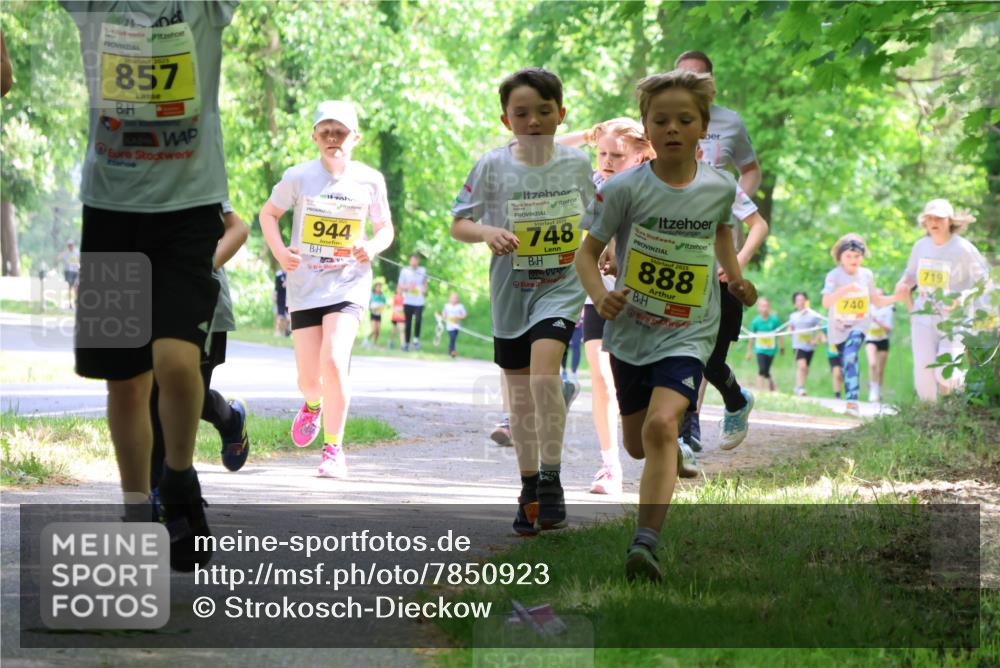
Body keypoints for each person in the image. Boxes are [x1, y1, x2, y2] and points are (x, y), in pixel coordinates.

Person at [62, 0, 238, 572]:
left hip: (189, 208)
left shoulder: (203, 8)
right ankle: (137, 512)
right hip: (112, 211)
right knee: (126, 382)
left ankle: (179, 478)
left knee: (178, 363)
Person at [576, 69, 756, 581]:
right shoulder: (624, 188)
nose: (673, 128)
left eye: (685, 119)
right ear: (646, 128)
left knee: (660, 426)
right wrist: (601, 296)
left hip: (691, 326)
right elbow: (587, 255)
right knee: (638, 443)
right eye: (661, 120)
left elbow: (722, 234)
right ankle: (666, 456)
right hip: (632, 329)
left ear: (704, 128)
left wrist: (737, 279)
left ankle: (644, 546)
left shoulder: (719, 186)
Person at [451, 67, 594, 536]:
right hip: (512, 292)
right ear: (505, 119)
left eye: (543, 111)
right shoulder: (492, 165)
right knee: (519, 399)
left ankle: (552, 480)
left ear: (561, 114)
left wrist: (605, 249)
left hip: (560, 286)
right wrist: (488, 232)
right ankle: (529, 485)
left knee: (543, 374)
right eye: (522, 113)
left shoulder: (575, 165)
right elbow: (459, 223)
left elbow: (597, 217)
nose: (533, 121)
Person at [260, 100, 394, 478]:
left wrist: (372, 246)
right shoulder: (298, 177)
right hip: (304, 285)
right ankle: (312, 405)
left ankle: (333, 449)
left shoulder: (370, 180)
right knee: (308, 379)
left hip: (349, 283)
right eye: (326, 131)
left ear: (356, 137)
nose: (333, 138)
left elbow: (385, 229)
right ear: (314, 136)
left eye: (341, 131)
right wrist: (280, 251)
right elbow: (267, 215)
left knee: (334, 360)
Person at [673, 50, 767, 452]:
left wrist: (731, 203)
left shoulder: (729, 125)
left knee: (709, 352)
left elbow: (751, 172)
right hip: (674, 247)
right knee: (680, 344)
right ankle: (685, 431)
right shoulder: (663, 116)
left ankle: (727, 403)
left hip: (718, 251)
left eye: (699, 77)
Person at [151, 203, 251, 512]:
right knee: (150, 397)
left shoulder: (192, 168)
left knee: (179, 401)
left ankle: (165, 496)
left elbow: (237, 229)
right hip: (141, 299)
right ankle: (158, 495)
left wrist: (199, 269)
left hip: (198, 303)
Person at [575, 118, 655, 495]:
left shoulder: (655, 187)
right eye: (601, 152)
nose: (606, 161)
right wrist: (589, 133)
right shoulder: (593, 182)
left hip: (645, 297)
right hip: (600, 294)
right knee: (602, 379)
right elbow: (541, 150)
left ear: (641, 154)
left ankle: (666, 447)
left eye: (616, 155)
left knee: (638, 385)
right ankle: (610, 466)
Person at [894, 199, 990, 401]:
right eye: (929, 218)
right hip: (924, 314)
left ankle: (956, 396)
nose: (933, 222)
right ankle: (928, 413)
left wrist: (963, 297)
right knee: (923, 366)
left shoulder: (963, 248)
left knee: (946, 370)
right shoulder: (920, 246)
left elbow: (984, 280)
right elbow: (910, 274)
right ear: (924, 222)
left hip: (955, 317)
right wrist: (904, 283)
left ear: (950, 221)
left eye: (939, 218)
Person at [822, 234, 899, 416]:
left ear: (862, 257)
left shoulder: (866, 275)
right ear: (840, 257)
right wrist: (846, 289)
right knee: (846, 361)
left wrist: (898, 297)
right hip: (839, 327)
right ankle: (850, 399)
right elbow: (826, 302)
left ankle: (852, 402)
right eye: (848, 256)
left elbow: (877, 300)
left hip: (860, 323)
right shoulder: (834, 276)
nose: (853, 260)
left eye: (857, 256)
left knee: (851, 354)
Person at [788, 291, 824, 396]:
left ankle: (800, 386)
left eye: (803, 299)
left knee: (806, 368)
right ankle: (800, 388)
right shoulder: (793, 316)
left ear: (806, 301)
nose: (801, 302)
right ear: (795, 303)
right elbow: (790, 327)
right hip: (798, 346)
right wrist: (790, 331)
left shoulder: (813, 315)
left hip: (809, 347)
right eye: (798, 300)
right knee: (802, 366)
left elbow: (820, 328)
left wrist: (815, 340)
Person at [747, 297, 783, 392]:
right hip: (759, 350)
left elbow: (780, 335)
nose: (764, 309)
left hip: (771, 350)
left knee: (766, 370)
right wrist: (749, 352)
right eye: (762, 306)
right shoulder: (755, 322)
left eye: (766, 306)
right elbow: (751, 337)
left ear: (769, 307)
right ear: (758, 308)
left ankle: (771, 381)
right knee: (762, 369)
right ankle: (760, 390)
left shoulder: (774, 320)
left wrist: (782, 347)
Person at [865, 289, 893, 403]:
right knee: (872, 364)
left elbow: (889, 329)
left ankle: (878, 390)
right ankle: (872, 389)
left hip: (883, 340)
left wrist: (877, 321)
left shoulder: (888, 310)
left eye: (880, 296)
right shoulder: (868, 308)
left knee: (880, 369)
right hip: (870, 339)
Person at [398, 253, 428, 351]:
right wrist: (408, 286)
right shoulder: (405, 270)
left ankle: (416, 341)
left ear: (418, 261)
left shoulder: (422, 270)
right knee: (408, 322)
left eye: (416, 260)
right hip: (408, 301)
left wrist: (424, 289)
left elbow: (425, 284)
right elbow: (401, 286)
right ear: (410, 261)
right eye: (412, 260)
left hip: (419, 301)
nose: (414, 262)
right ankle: (406, 343)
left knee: (418, 321)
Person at [441, 291, 467, 357]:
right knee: (452, 337)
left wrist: (458, 317)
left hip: (457, 326)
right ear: (449, 299)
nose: (454, 300)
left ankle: (450, 351)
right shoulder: (447, 306)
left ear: (457, 299)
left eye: (455, 298)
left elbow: (464, 315)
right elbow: (443, 313)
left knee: (453, 338)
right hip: (449, 326)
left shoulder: (460, 306)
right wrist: (444, 316)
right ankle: (452, 351)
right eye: (452, 298)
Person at [57, 240, 81, 308]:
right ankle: (70, 303)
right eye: (69, 245)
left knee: (76, 286)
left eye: (71, 245)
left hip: (76, 271)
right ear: (67, 246)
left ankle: (76, 301)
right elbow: (58, 258)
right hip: (68, 272)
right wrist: (64, 252)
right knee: (70, 287)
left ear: (73, 245)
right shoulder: (65, 253)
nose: (70, 247)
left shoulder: (77, 252)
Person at [823, 325, 844, 399]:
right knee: (837, 373)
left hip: (844, 354)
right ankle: (837, 395)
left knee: (843, 374)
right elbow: (823, 339)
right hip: (832, 354)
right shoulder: (826, 325)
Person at [368, 281, 387, 346]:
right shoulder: (372, 295)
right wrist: (373, 308)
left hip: (379, 315)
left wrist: (381, 308)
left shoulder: (383, 296)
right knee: (374, 330)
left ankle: (374, 343)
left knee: (378, 331)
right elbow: (369, 306)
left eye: (380, 287)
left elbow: (384, 305)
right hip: (373, 314)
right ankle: (367, 340)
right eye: (377, 287)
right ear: (375, 287)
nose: (379, 288)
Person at [273, 269, 289, 336]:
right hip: (280, 298)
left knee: (286, 317)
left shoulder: (290, 273)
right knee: (278, 315)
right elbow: (276, 287)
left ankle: (284, 332)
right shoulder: (278, 274)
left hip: (288, 299)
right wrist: (283, 285)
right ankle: (276, 332)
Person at [389, 286, 406, 350]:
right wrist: (397, 311)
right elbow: (393, 306)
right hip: (395, 316)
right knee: (394, 331)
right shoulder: (395, 297)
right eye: (399, 289)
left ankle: (402, 345)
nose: (400, 290)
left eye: (401, 289)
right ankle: (391, 341)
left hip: (402, 316)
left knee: (402, 330)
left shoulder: (404, 297)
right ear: (396, 290)